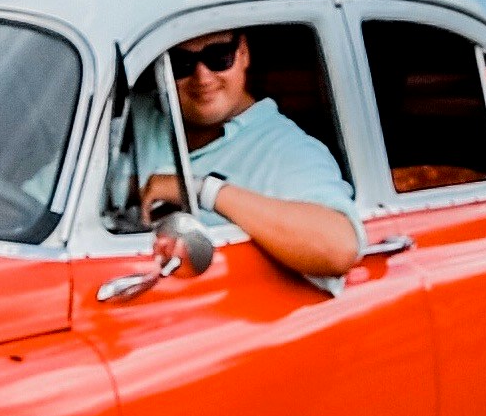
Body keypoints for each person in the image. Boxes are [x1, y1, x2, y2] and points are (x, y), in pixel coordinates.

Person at [141, 29, 363, 283]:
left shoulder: (287, 148)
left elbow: (339, 247)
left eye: (218, 56)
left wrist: (202, 190)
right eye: (182, 63)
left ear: (243, 53)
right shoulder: (138, 115)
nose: (202, 77)